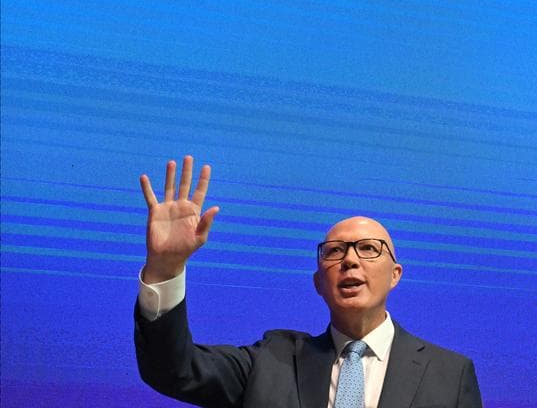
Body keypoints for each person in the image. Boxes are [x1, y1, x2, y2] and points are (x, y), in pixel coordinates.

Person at [134, 155, 482, 408]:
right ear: (318, 282)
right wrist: (165, 268)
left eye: (368, 248)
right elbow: (173, 370)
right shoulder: (272, 361)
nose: (350, 259)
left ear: (395, 275)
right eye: (335, 251)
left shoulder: (449, 374)